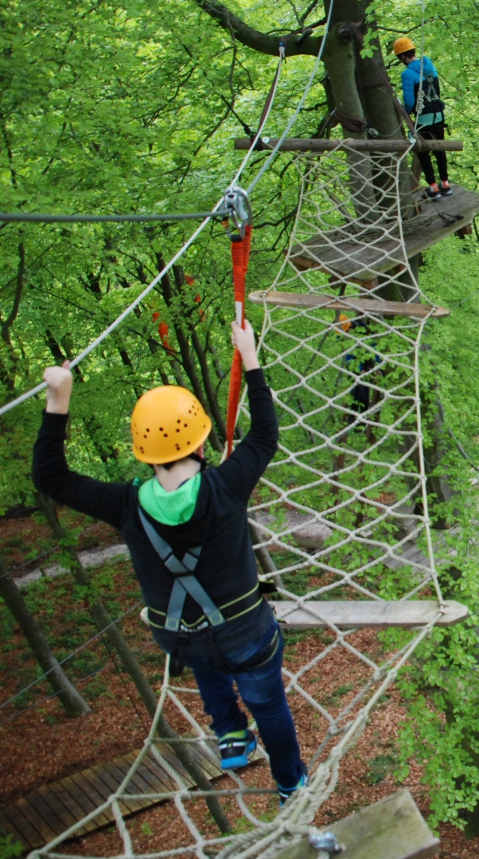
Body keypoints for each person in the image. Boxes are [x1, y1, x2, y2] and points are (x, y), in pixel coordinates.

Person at [32, 321, 309, 806]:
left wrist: (59, 399)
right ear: (201, 444)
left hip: (183, 641)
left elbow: (51, 476)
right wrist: (250, 359)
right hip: (247, 636)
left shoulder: (125, 505)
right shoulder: (226, 485)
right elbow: (265, 435)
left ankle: (228, 730)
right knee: (270, 706)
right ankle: (290, 783)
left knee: (203, 649)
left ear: (145, 454)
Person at [393, 37, 450, 200]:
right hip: (438, 115)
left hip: (423, 119)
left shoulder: (408, 74)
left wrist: (406, 111)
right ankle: (445, 184)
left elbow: (410, 102)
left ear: (403, 56)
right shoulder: (430, 66)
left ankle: (433, 187)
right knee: (440, 149)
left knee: (423, 151)